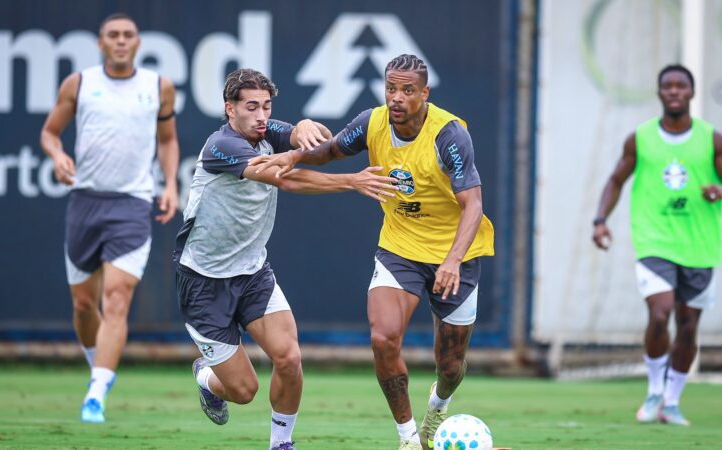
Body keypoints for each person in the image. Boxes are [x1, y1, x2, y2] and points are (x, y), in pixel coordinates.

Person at [250, 54, 495, 450]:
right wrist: (293, 155)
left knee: (450, 365)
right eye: (391, 88)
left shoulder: (449, 134)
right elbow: (330, 151)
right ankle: (409, 438)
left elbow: (474, 204)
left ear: (425, 93)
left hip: (456, 254)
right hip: (400, 248)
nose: (397, 98)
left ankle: (439, 402)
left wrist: (452, 261)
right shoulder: (372, 121)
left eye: (407, 90)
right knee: (383, 339)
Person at [174, 68, 397, 450]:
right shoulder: (220, 146)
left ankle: (281, 444)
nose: (260, 116)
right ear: (230, 110)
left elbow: (291, 133)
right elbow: (285, 178)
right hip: (204, 282)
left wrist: (303, 128)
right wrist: (350, 180)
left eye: (266, 106)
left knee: (290, 358)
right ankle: (205, 378)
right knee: (243, 391)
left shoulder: (266, 130)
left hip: (253, 274)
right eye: (250, 107)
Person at [39, 13, 180, 423]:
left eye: (128, 35)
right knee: (84, 304)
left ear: (138, 43)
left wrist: (169, 184)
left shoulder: (159, 87)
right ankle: (97, 363)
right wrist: (57, 153)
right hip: (85, 202)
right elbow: (50, 132)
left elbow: (168, 140)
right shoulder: (79, 84)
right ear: (100, 43)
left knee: (116, 299)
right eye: (112, 36)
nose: (120, 41)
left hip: (133, 204)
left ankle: (96, 392)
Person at [592, 64, 722, 426]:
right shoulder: (640, 138)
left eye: (681, 86)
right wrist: (600, 221)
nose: (674, 91)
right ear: (660, 93)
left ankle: (672, 402)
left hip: (699, 246)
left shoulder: (712, 139)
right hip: (654, 240)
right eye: (668, 86)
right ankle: (654, 391)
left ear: (691, 93)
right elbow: (616, 179)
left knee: (688, 325)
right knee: (659, 314)